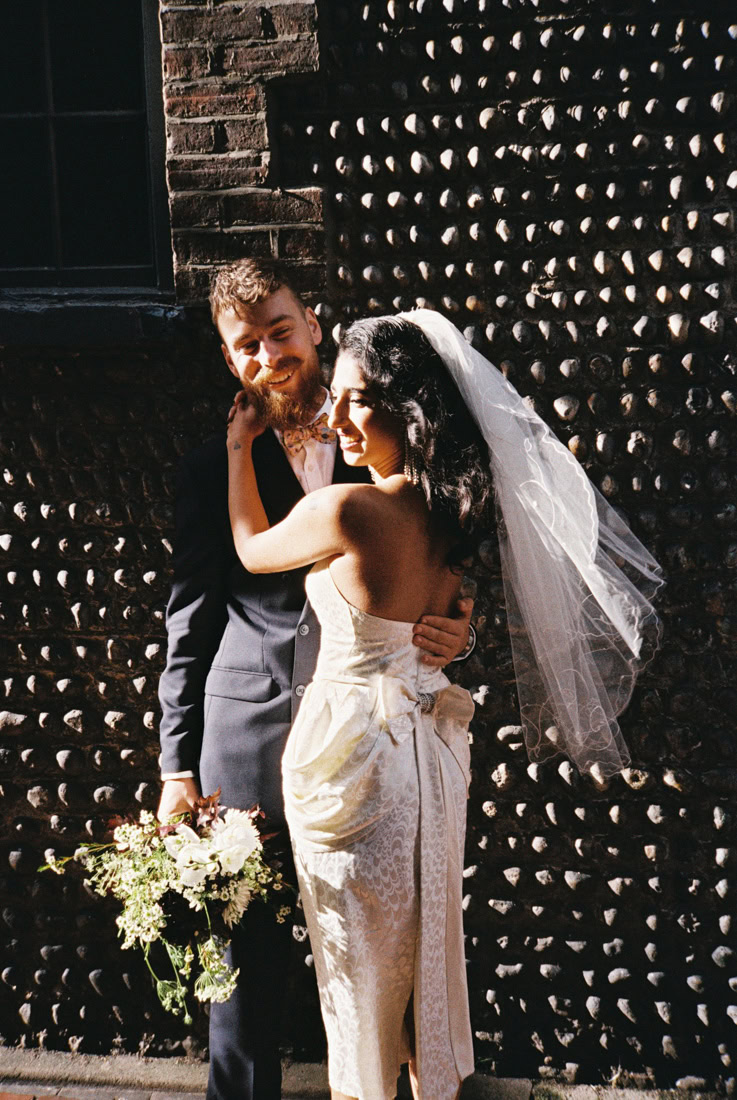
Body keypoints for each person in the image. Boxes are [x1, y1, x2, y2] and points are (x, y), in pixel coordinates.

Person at [227, 309, 663, 1100]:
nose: (338, 417)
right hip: (429, 755)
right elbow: (440, 615)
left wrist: (236, 451)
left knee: (357, 971)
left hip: (356, 760)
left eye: (359, 400)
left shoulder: (347, 511)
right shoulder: (455, 514)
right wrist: (456, 634)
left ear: (411, 409)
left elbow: (252, 550)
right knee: (431, 948)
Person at [156, 262, 475, 1100]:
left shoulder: (385, 448)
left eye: (279, 330)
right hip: (249, 742)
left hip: (369, 746)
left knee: (378, 967)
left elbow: (434, 573)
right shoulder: (206, 471)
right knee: (243, 974)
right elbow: (188, 623)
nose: (267, 354)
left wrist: (457, 629)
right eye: (245, 345)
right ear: (230, 363)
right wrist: (175, 767)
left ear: (313, 323)